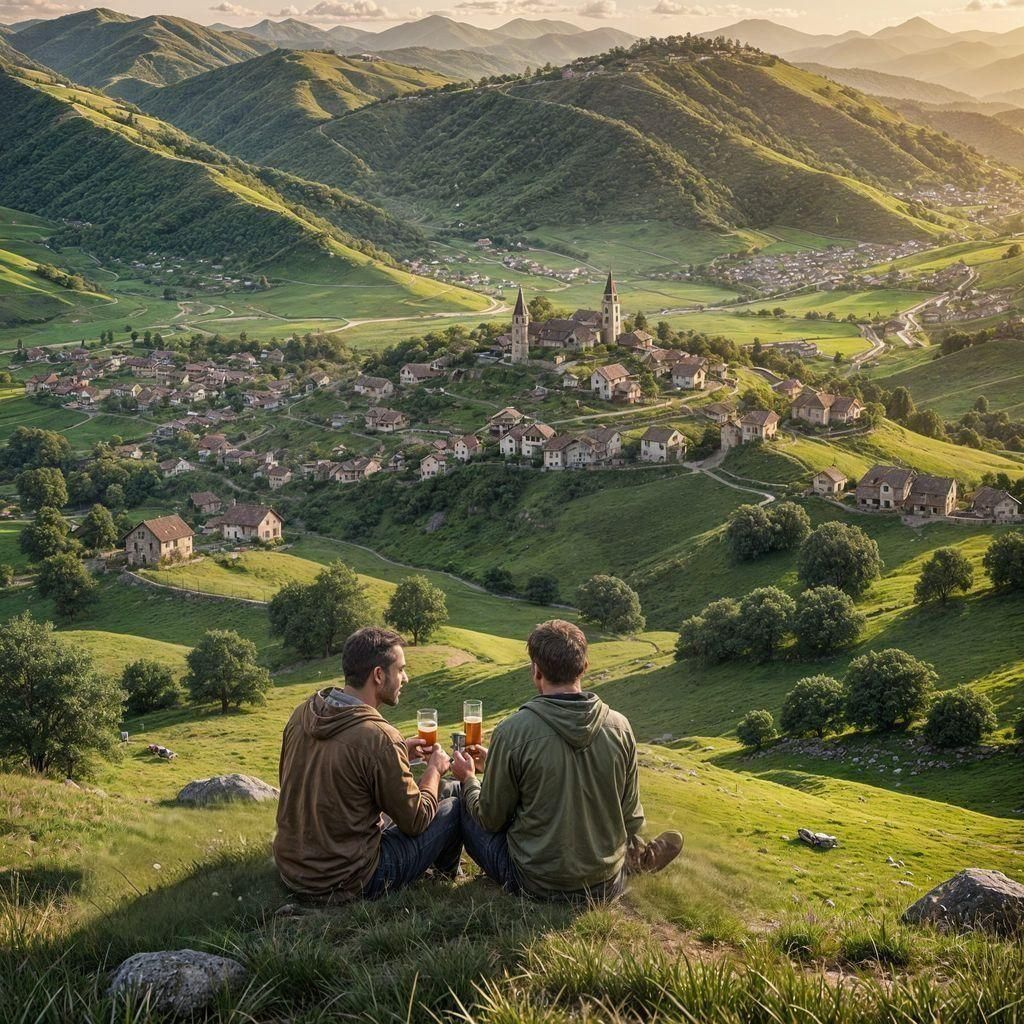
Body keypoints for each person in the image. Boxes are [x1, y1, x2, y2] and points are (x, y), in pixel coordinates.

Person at [452, 619, 682, 901]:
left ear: (536, 670)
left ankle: (444, 873)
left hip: (533, 882)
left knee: (460, 802)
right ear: (584, 667)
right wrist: (495, 765)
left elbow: (490, 819)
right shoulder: (620, 727)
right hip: (604, 883)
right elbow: (632, 818)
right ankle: (635, 861)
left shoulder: (512, 731)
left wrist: (469, 779)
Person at [273, 626, 461, 903]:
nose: (405, 678)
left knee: (439, 791)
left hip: (293, 870)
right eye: (401, 670)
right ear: (378, 675)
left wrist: (397, 753)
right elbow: (417, 821)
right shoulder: (379, 738)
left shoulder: (302, 714)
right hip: (349, 880)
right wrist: (434, 768)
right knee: (453, 805)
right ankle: (442, 882)